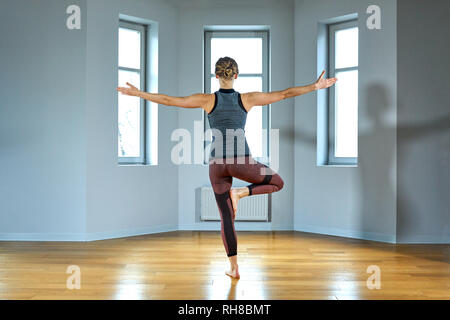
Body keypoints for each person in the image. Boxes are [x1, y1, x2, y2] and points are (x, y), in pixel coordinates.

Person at [117, 56, 337, 279]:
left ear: (217, 76)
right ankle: (240, 193)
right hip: (242, 161)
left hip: (216, 165)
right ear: (236, 75)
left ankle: (233, 268)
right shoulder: (247, 99)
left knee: (226, 217)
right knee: (277, 183)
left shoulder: (206, 100)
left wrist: (138, 93)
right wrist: (315, 86)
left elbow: (169, 100)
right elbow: (284, 94)